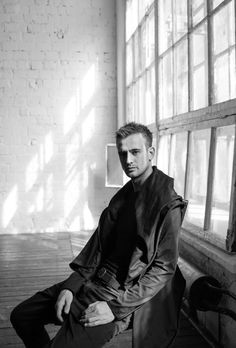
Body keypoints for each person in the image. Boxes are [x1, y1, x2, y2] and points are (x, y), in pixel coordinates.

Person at [11, 122, 187, 348]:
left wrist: (114, 309)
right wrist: (70, 286)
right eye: (123, 154)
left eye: (135, 152)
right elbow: (98, 248)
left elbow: (163, 269)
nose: (128, 161)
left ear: (150, 153)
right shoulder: (123, 197)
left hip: (116, 295)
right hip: (92, 280)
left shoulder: (167, 204)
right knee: (22, 316)